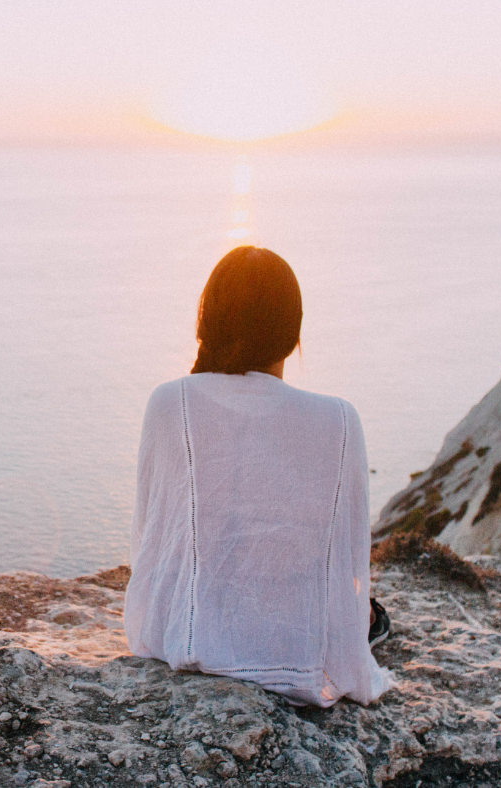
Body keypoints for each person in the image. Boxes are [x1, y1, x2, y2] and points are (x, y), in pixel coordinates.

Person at [124, 246, 394, 707]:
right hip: (299, 644)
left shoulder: (170, 403)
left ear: (206, 321)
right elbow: (348, 558)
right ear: (292, 333)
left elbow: (151, 545)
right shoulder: (340, 420)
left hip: (189, 638)